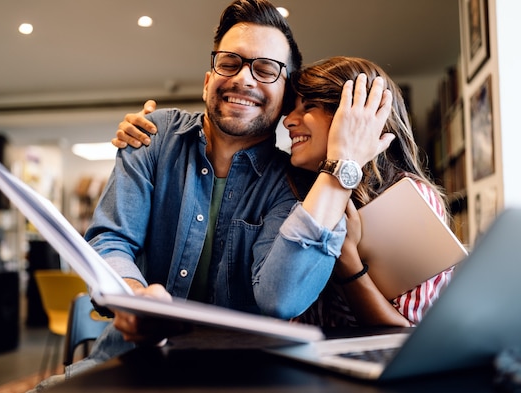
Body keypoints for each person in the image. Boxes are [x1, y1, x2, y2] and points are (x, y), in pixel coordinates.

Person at [27, 2, 391, 391]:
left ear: (285, 97)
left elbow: (280, 296)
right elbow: (111, 239)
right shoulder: (153, 137)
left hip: (239, 380)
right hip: (125, 364)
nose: (243, 79)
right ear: (207, 80)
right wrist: (132, 297)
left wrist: (341, 168)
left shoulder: (296, 184)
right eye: (229, 62)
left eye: (266, 69)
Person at [114, 56, 452, 328]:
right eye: (291, 108)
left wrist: (348, 263)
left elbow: (411, 333)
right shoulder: (294, 188)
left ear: (353, 116)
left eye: (308, 107)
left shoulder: (408, 199)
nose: (289, 120)